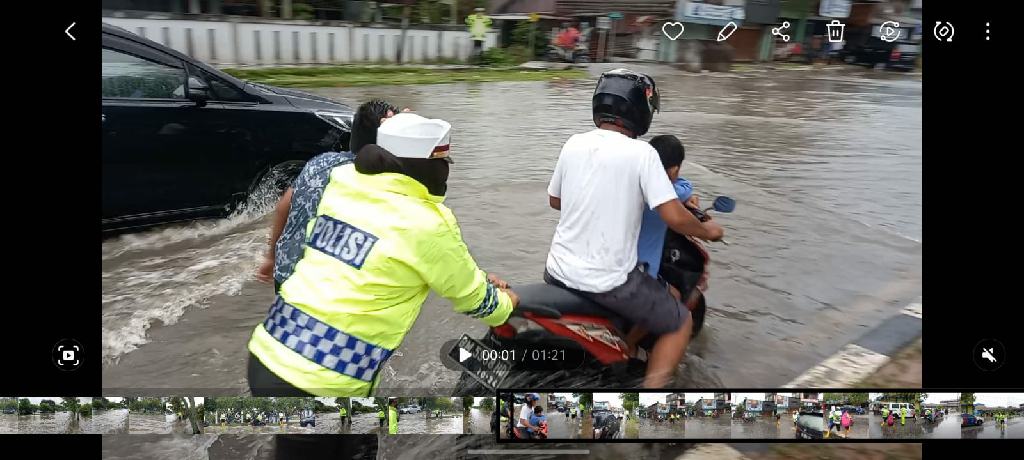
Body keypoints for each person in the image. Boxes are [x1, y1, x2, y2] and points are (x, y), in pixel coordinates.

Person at [247, 111, 520, 396]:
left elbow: (377, 259)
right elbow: (476, 301)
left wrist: (473, 276)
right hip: (324, 382)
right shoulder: (428, 221)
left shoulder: (341, 184)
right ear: (427, 168)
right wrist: (506, 304)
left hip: (267, 352)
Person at [545, 69, 723, 389]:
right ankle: (650, 405)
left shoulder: (573, 143)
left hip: (556, 272)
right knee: (679, 322)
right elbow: (674, 217)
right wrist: (707, 232)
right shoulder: (643, 154)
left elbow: (555, 200)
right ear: (640, 111)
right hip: (608, 281)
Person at [256, 99, 402, 290]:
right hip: (322, 286)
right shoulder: (381, 181)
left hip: (285, 273)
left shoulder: (321, 162)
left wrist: (271, 257)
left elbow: (284, 205)